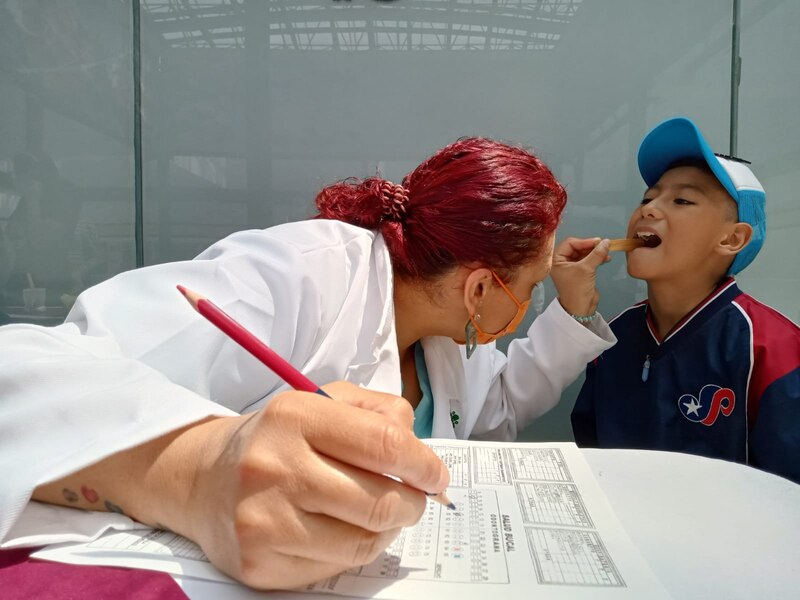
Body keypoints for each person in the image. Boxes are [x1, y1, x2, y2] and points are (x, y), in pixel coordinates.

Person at [0, 137, 615, 589]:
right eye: (531, 287)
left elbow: (495, 411)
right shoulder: (301, 273)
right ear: (480, 289)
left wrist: (573, 306)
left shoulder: (449, 344)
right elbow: (26, 369)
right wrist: (196, 473)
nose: (531, 304)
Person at [572, 117, 800, 484]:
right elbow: (592, 450)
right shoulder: (612, 337)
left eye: (682, 200)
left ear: (732, 239)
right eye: (648, 197)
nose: (648, 209)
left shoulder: (773, 349)